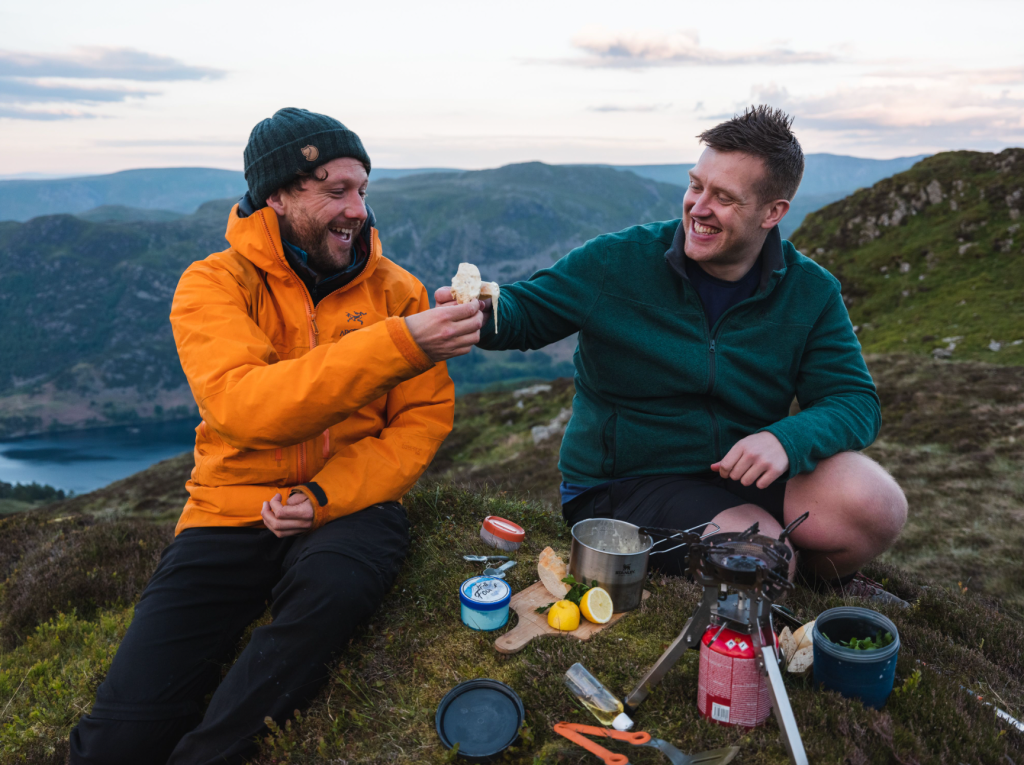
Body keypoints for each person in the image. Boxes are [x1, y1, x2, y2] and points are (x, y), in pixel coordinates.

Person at [69, 108, 486, 765]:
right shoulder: (212, 285)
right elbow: (248, 409)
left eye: (362, 190)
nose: (358, 210)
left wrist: (322, 497)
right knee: (119, 735)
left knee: (334, 587)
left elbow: (419, 423)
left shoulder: (399, 292)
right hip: (228, 509)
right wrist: (399, 344)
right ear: (278, 195)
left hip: (350, 505)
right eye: (334, 190)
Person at [438, 106, 907, 603]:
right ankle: (777, 570)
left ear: (773, 212)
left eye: (723, 197)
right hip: (626, 484)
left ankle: (812, 585)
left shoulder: (810, 292)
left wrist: (786, 439)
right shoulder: (617, 260)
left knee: (876, 504)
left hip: (740, 473)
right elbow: (527, 310)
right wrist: (480, 311)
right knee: (760, 555)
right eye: (695, 185)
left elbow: (855, 401)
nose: (698, 207)